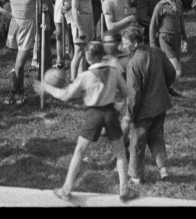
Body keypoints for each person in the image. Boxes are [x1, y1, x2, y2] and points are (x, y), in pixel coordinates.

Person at [36, 41, 137, 203]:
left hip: (94, 114)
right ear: (102, 54)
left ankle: (66, 189)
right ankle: (124, 189)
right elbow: (127, 92)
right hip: (111, 113)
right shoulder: (114, 72)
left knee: (79, 151)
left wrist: (47, 87)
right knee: (119, 152)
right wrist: (113, 96)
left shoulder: (85, 76)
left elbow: (65, 95)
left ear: (88, 58)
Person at [122, 26, 176, 185]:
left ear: (135, 43)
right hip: (160, 105)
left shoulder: (133, 63)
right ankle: (163, 168)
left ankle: (136, 176)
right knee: (157, 136)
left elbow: (133, 94)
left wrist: (129, 115)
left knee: (137, 143)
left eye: (126, 43)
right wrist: (163, 87)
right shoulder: (158, 52)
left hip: (143, 111)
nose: (124, 46)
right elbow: (171, 73)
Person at [149, 0, 188, 89]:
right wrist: (152, 44)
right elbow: (153, 26)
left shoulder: (179, 3)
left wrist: (184, 38)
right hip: (165, 38)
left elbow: (181, 22)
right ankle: (161, 89)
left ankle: (165, 88)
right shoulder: (160, 6)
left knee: (172, 69)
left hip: (177, 38)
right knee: (177, 71)